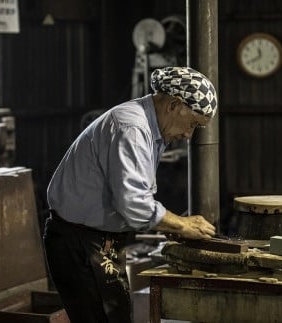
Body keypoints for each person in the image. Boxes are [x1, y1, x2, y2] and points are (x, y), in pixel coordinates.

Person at [43, 66, 218, 323]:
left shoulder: (150, 128)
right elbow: (133, 202)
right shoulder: (132, 128)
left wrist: (165, 224)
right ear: (174, 104)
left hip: (97, 239)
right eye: (192, 124)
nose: (188, 135)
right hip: (79, 242)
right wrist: (181, 224)